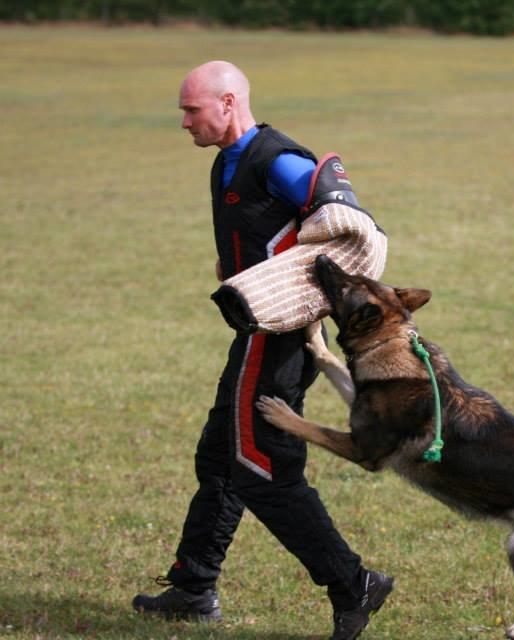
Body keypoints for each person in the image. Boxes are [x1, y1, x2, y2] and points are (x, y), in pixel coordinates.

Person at [132, 60, 391, 640]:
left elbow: (355, 226)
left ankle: (354, 584)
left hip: (279, 343)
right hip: (254, 334)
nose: (184, 122)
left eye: (191, 110)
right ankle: (194, 586)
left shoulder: (277, 159)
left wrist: (308, 287)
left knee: (261, 468)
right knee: (221, 458)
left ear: (227, 104)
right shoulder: (229, 160)